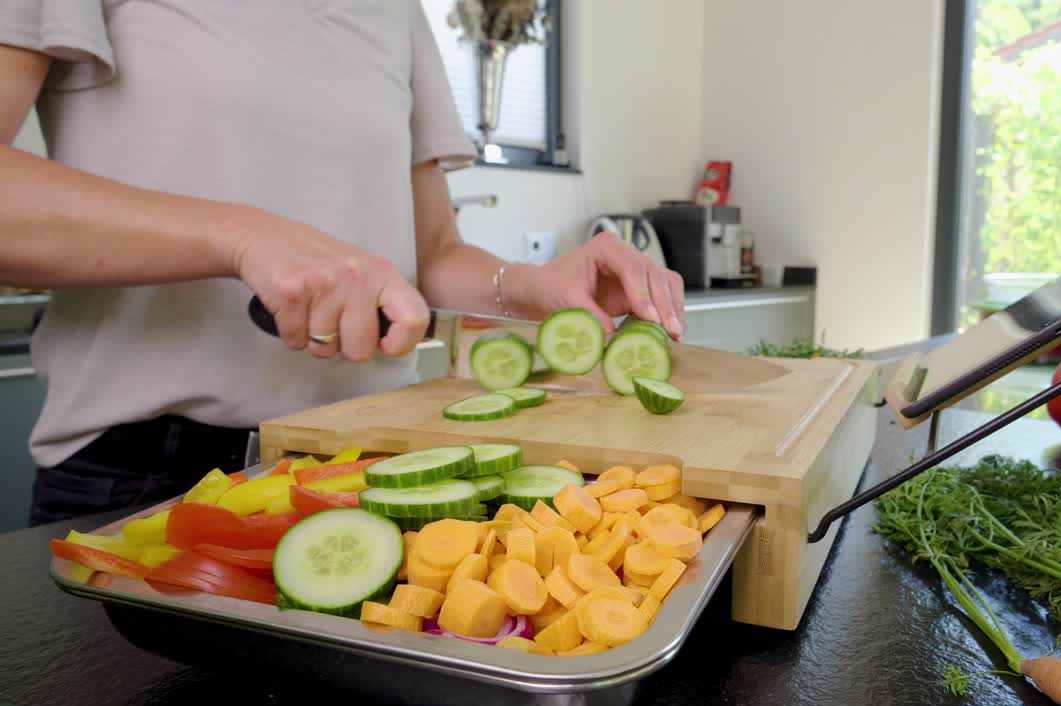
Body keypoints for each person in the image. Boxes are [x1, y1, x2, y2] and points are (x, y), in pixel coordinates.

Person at [0, 1, 685, 526]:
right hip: (147, 481)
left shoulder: (397, 13)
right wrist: (241, 236)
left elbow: (432, 254)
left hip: (376, 465)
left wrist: (530, 285)